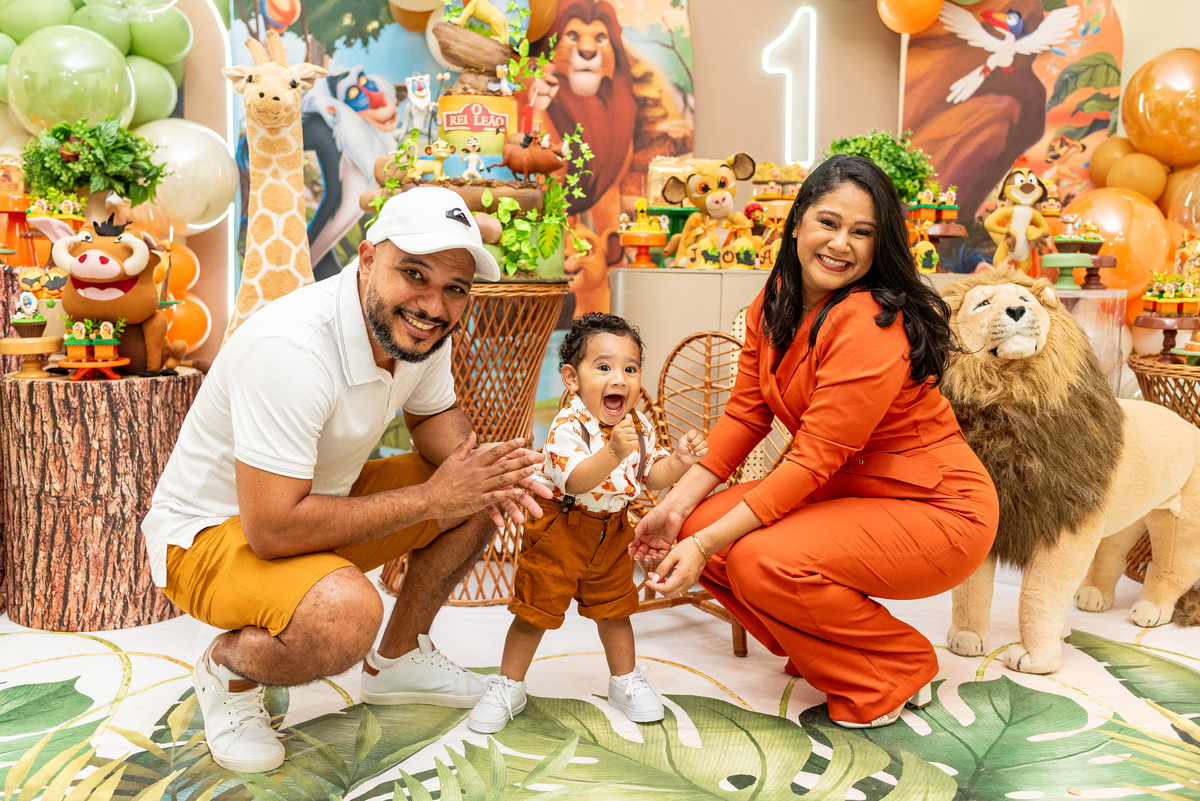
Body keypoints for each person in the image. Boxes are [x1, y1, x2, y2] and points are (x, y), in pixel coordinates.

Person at [141, 187, 553, 773]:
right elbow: (273, 530)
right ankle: (229, 672)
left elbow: (433, 417)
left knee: (481, 485)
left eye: (454, 289)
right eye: (415, 274)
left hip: (314, 504)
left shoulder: (421, 331)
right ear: (366, 260)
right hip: (212, 535)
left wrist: (486, 471)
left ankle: (401, 658)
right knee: (344, 615)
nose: (434, 305)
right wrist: (433, 497)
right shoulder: (289, 350)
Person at [630, 155, 1000, 729]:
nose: (840, 244)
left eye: (862, 232)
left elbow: (810, 461)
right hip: (850, 493)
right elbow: (744, 418)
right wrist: (674, 509)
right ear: (797, 221)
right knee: (701, 526)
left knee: (757, 559)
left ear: (881, 246)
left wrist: (701, 548)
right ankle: (835, 652)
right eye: (828, 223)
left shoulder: (872, 321)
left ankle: (895, 666)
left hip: (938, 510)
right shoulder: (775, 297)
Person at [467, 313, 709, 733]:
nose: (619, 378)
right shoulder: (567, 424)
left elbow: (652, 475)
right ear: (571, 378)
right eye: (603, 367)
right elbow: (575, 480)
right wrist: (613, 452)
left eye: (630, 369)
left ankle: (625, 681)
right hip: (562, 528)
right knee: (534, 611)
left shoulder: (638, 425)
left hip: (612, 531)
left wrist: (681, 463)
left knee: (616, 611)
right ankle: (509, 686)